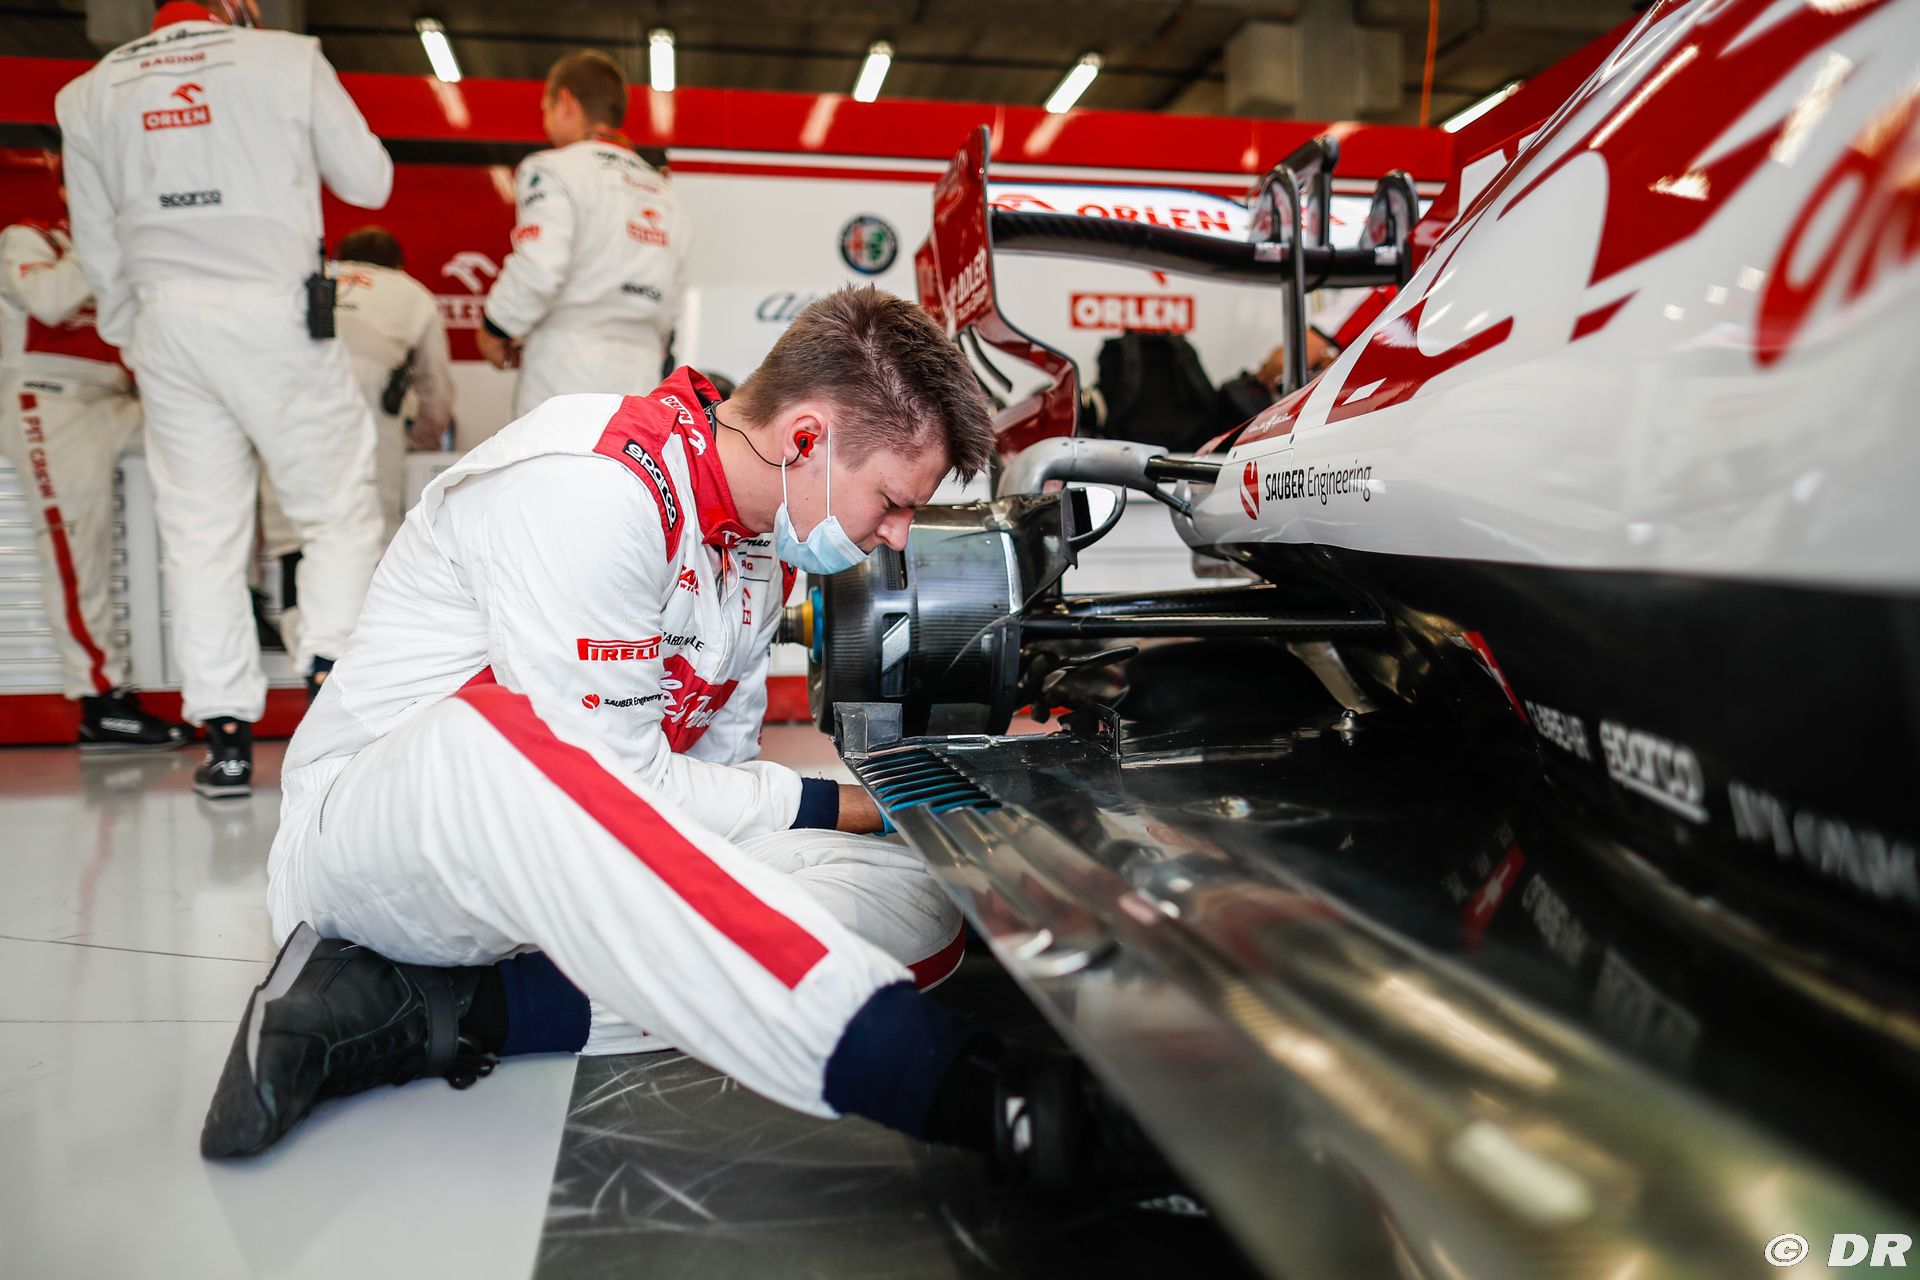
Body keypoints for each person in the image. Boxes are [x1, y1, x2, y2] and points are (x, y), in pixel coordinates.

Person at [199, 288, 1164, 1196]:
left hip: (572, 877)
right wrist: (838, 801)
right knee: (508, 741)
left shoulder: (760, 553)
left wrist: (877, 819)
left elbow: (700, 799)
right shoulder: (589, 486)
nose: (900, 537)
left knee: (912, 896)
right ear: (805, 438)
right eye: (894, 501)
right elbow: (609, 789)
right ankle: (978, 1095)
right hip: (383, 844)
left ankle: (436, 1012)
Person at [56, 1, 395, 798]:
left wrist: (135, 334)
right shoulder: (287, 58)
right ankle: (330, 696)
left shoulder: (89, 92)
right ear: (236, 5)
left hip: (167, 324)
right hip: (276, 313)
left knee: (200, 533)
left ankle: (227, 743)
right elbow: (370, 181)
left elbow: (97, 244)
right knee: (334, 512)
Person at [0, 172, 187, 751]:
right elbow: (49, 301)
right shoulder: (30, 238)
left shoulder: (131, 249)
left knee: (230, 443)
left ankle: (256, 596)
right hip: (50, 402)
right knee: (78, 552)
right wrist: (103, 240)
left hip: (125, 399)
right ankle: (101, 703)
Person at [475, 50, 690, 417]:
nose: (545, 120)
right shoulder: (665, 191)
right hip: (642, 377)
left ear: (565, 102)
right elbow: (677, 298)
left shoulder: (553, 169)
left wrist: (495, 329)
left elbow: (540, 268)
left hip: (565, 368)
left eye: (545, 108)